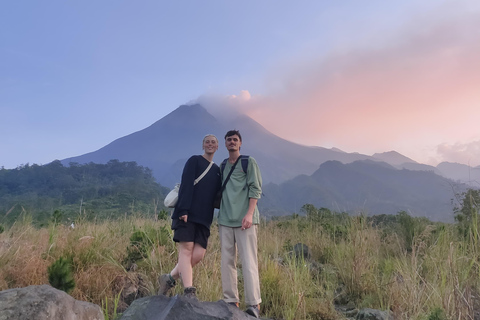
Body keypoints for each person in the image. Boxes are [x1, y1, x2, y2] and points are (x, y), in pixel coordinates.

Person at [158, 134, 221, 299]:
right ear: (202, 145)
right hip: (187, 214)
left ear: (217, 147)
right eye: (207, 142)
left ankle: (169, 278)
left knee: (199, 254)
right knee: (186, 251)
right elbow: (186, 185)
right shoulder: (194, 160)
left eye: (213, 142)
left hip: (205, 218)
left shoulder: (216, 170)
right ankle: (188, 290)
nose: (210, 144)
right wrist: (183, 210)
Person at [218, 129, 262, 318]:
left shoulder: (248, 162)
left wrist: (250, 214)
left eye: (235, 139)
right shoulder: (222, 165)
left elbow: (255, 187)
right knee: (227, 261)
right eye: (229, 140)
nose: (232, 142)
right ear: (225, 144)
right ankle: (231, 301)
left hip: (245, 220)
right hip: (225, 220)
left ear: (240, 143)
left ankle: (254, 304)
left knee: (248, 261)